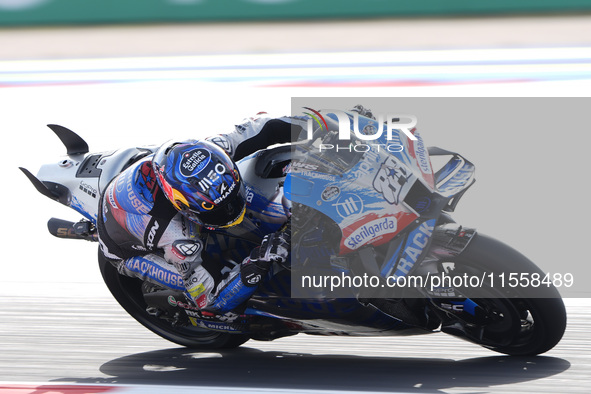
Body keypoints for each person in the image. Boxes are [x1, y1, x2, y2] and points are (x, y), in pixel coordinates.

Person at [97, 113, 305, 318]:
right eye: (218, 211)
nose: (231, 212)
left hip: (149, 177)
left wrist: (323, 125)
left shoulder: (214, 149)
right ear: (183, 208)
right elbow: (210, 300)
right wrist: (259, 259)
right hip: (127, 250)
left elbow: (265, 125)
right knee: (213, 291)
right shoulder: (175, 235)